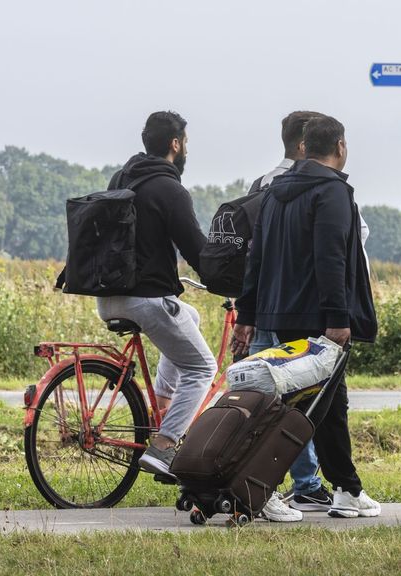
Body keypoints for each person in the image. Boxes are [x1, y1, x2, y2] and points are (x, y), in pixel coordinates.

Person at [232, 114, 381, 519]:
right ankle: (258, 485)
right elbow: (331, 258)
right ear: (340, 147)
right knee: (305, 408)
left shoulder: (275, 192)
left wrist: (247, 314)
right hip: (320, 317)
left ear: (304, 147)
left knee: (325, 405)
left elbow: (257, 258)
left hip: (281, 313)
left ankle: (346, 489)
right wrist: (338, 317)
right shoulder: (332, 192)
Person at [96, 111, 217, 479]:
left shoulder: (120, 178)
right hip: (147, 299)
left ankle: (162, 404)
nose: (186, 150)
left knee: (189, 316)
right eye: (186, 143)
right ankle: (164, 446)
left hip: (107, 297)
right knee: (203, 368)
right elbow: (195, 249)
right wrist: (228, 278)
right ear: (175, 144)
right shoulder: (169, 189)